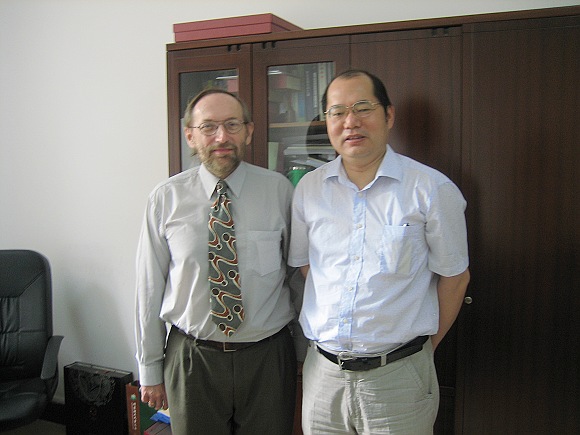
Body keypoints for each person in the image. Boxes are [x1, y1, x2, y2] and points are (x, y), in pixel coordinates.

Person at [289, 69, 470, 434]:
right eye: (337, 112)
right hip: (323, 377)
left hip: (399, 377)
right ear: (327, 122)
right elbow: (309, 267)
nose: (350, 122)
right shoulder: (308, 189)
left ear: (388, 115)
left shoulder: (431, 189)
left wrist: (421, 349)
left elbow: (455, 278)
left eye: (362, 108)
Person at [135, 89, 297, 435]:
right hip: (192, 360)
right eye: (208, 127)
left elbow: (297, 279)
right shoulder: (166, 199)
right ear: (190, 135)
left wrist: (303, 355)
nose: (221, 137)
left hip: (268, 359)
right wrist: (149, 369)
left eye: (232, 125)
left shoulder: (280, 191)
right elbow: (149, 289)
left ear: (248, 131)